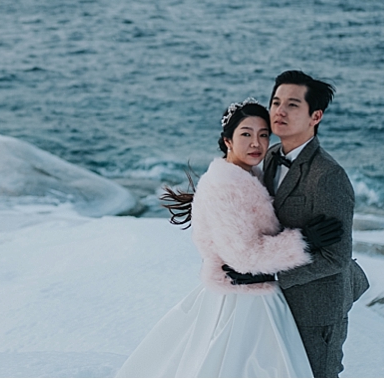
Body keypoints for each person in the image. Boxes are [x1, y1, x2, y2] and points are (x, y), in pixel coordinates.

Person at [116, 99, 343, 378]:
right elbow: (245, 256)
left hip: (249, 291)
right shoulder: (226, 185)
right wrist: (303, 241)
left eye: (263, 135)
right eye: (246, 134)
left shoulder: (248, 176)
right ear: (228, 141)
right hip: (242, 301)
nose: (256, 143)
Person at [226, 71, 369, 378]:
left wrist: (273, 273)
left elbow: (336, 257)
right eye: (275, 102)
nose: (279, 111)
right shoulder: (272, 155)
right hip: (275, 304)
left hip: (316, 307)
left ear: (315, 116)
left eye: (292, 105)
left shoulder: (328, 177)